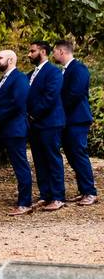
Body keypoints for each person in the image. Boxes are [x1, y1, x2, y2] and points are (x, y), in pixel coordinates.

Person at [0, 50, 32, 216]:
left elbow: (18, 104)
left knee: (20, 165)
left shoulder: (20, 78)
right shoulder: (0, 82)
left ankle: (25, 203)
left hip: (14, 129)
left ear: (10, 60)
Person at [53, 40, 97, 206]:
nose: (54, 55)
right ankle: (84, 190)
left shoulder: (78, 69)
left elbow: (75, 93)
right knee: (72, 155)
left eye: (55, 52)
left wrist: (58, 109)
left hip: (77, 119)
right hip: (68, 120)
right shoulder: (64, 71)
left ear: (62, 52)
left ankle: (90, 192)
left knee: (78, 154)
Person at [26, 40, 66, 211]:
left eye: (32, 51)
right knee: (39, 159)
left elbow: (50, 97)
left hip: (50, 122)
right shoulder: (29, 75)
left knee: (52, 158)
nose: (29, 54)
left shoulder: (54, 72)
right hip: (34, 125)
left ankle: (58, 197)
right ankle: (45, 194)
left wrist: (33, 114)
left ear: (43, 52)